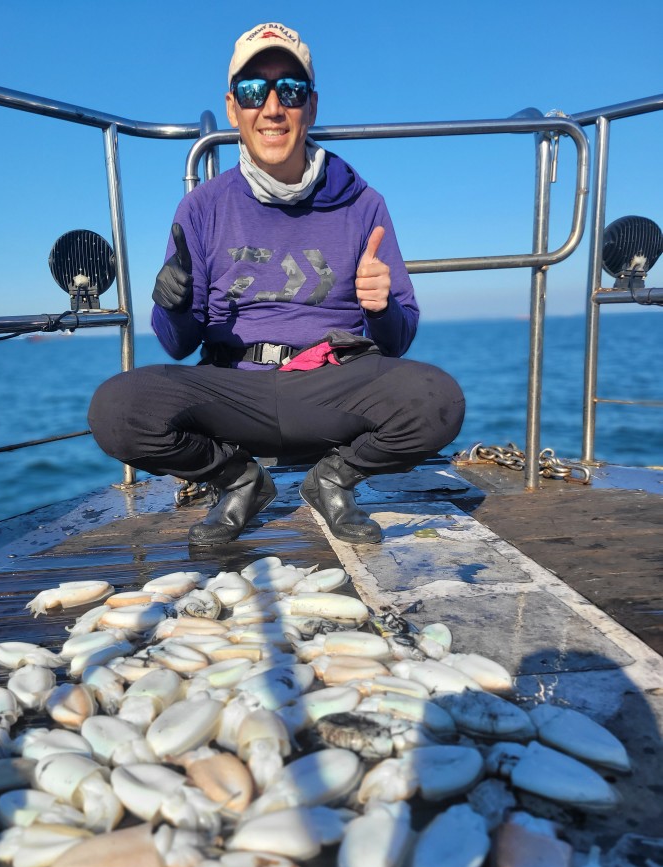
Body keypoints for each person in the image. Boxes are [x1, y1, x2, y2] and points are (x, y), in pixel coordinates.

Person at [88, 22, 464, 547]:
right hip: (235, 389)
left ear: (311, 105)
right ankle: (239, 481)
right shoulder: (201, 206)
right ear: (232, 107)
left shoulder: (364, 203)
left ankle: (334, 479)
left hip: (331, 385)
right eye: (252, 90)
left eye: (289, 89)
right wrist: (172, 305)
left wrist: (381, 308)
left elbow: (397, 342)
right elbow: (177, 346)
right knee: (114, 409)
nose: (271, 107)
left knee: (438, 399)